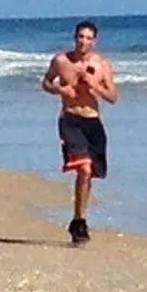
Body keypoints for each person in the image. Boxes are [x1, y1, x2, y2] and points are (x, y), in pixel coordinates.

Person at [42, 20, 119, 246]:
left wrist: (95, 87)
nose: (83, 41)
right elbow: (46, 82)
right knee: (83, 169)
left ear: (94, 41)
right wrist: (59, 89)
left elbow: (113, 97)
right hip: (70, 119)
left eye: (88, 38)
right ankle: (81, 222)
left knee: (89, 174)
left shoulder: (102, 65)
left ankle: (78, 219)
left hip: (93, 122)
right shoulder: (61, 61)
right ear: (74, 38)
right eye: (80, 37)